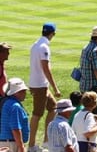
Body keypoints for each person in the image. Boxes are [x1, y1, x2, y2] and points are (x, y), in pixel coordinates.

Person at [29, 23, 60, 152]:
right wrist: (55, 88)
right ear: (52, 34)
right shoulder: (44, 47)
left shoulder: (36, 45)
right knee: (37, 114)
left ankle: (46, 140)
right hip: (40, 85)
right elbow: (46, 68)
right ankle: (31, 145)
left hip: (39, 84)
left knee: (53, 107)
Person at [1, 78, 31, 152]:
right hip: (11, 144)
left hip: (4, 143)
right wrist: (21, 147)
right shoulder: (15, 106)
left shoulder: (5, 102)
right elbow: (16, 128)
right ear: (16, 93)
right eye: (22, 91)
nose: (25, 93)